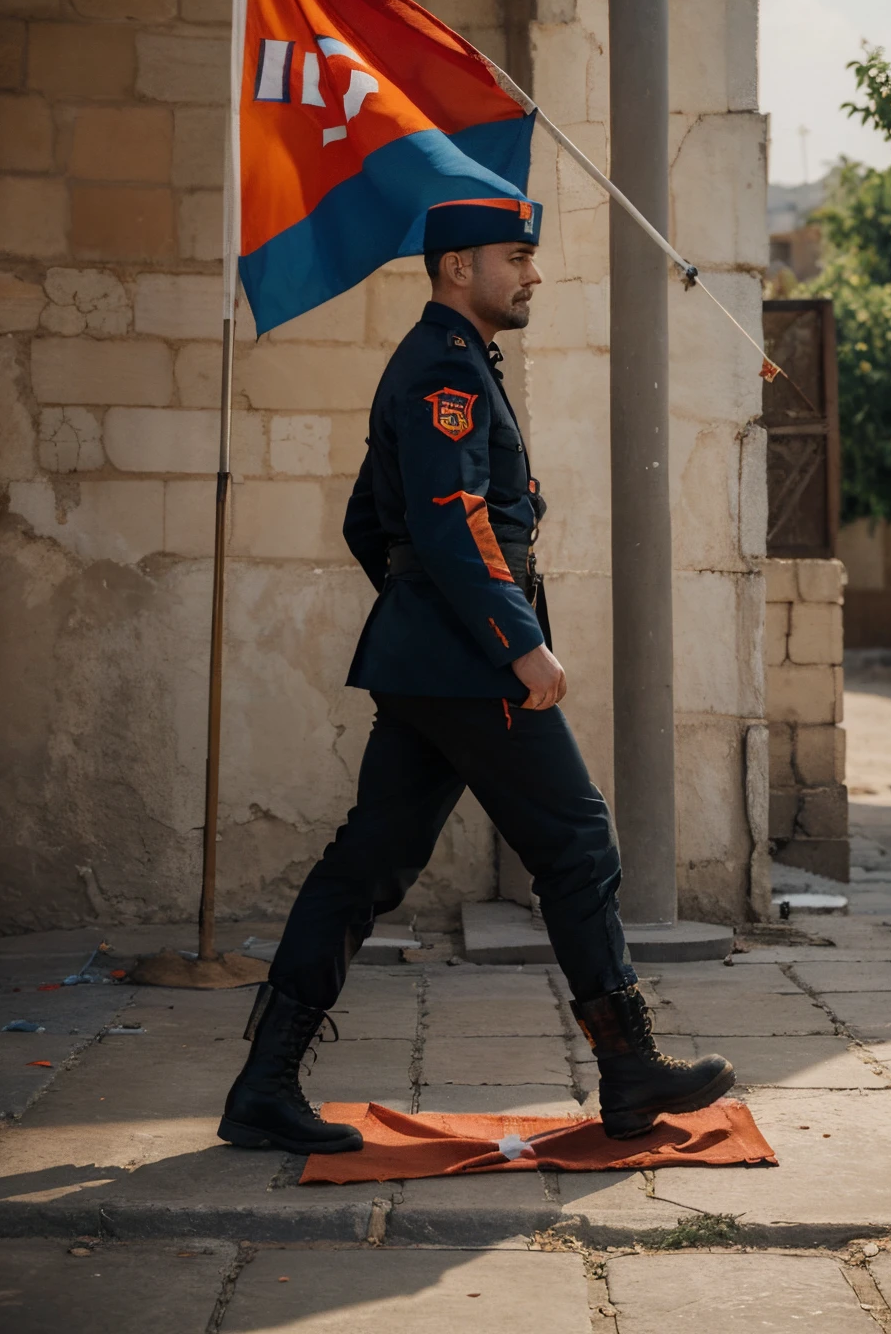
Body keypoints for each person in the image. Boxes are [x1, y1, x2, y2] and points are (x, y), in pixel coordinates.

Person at [218, 196, 735, 1156]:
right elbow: (454, 518)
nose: (532, 274)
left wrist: (418, 612)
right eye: (517, 256)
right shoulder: (443, 368)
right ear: (459, 267)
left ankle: (262, 1085)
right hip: (468, 662)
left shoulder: (451, 366)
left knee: (367, 863)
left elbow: (369, 524)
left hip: (433, 657)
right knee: (577, 845)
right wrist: (513, 640)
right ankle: (629, 1073)